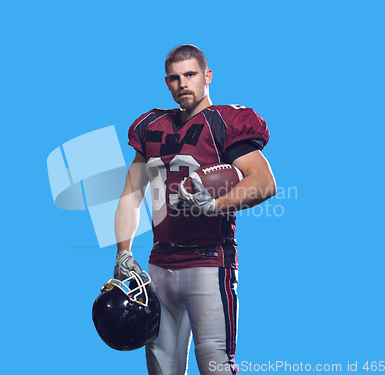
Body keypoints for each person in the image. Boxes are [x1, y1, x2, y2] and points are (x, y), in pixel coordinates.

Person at [113, 45, 276, 375]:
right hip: (158, 266)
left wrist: (214, 205)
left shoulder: (225, 122)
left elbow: (264, 182)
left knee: (215, 366)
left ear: (207, 76)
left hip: (208, 263)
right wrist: (123, 253)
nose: (182, 84)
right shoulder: (151, 125)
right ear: (166, 82)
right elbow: (131, 193)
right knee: (161, 370)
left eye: (190, 75)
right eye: (174, 78)